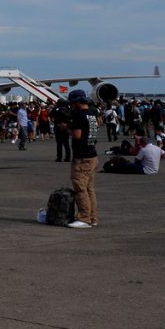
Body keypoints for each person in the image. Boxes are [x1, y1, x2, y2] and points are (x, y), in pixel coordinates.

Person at [67, 89, 99, 228]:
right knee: (89, 189)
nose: (72, 106)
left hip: (83, 157)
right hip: (92, 155)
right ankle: (92, 217)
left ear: (78, 102)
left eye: (73, 103)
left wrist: (65, 129)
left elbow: (77, 135)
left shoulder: (80, 116)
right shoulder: (91, 114)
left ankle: (84, 218)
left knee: (80, 187)